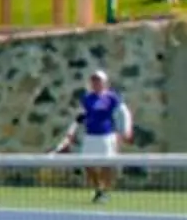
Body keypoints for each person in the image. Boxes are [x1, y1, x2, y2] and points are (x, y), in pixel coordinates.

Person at [55, 66, 134, 201]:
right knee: (87, 163)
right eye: (93, 80)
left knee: (107, 165)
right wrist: (71, 132)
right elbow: (80, 116)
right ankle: (98, 189)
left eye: (98, 80)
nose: (96, 83)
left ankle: (105, 191)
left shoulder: (112, 98)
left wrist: (126, 130)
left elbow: (124, 114)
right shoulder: (87, 98)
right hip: (90, 136)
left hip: (106, 136)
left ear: (105, 82)